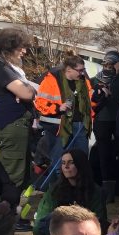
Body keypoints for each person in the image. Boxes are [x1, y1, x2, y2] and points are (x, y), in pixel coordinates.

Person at [0, 29, 38, 189]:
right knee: (15, 175)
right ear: (7, 47)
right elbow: (26, 93)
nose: (24, 51)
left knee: (17, 172)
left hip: (10, 124)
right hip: (10, 124)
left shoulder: (3, 67)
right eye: (20, 47)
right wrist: (31, 90)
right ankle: (10, 209)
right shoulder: (1, 68)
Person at [33, 53, 93, 187]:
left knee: (81, 160)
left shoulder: (84, 80)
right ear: (69, 70)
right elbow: (40, 103)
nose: (82, 73)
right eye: (80, 70)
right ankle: (57, 191)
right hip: (58, 127)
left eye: (83, 70)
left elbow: (91, 100)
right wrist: (57, 108)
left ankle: (79, 190)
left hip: (80, 126)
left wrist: (100, 97)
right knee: (59, 162)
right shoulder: (51, 79)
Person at [31, 148, 108, 235]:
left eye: (71, 163)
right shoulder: (54, 190)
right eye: (63, 163)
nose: (66, 167)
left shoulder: (95, 191)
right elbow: (42, 220)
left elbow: (99, 221)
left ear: (81, 165)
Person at [92, 50, 119, 202]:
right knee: (103, 154)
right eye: (105, 64)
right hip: (101, 122)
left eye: (111, 64)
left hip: (118, 121)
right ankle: (106, 191)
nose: (107, 67)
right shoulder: (95, 80)